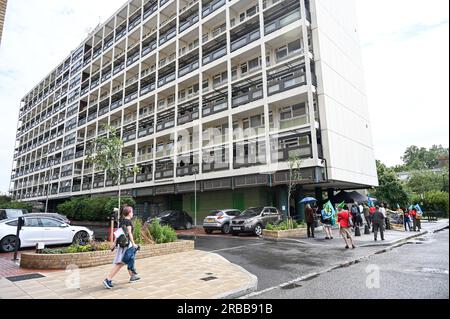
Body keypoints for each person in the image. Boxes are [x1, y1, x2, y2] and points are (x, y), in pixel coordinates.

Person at [103, 206, 140, 289]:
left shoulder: (122, 221)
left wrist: (114, 243)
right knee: (121, 263)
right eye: (132, 212)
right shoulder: (128, 222)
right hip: (127, 245)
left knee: (130, 259)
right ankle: (108, 279)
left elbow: (119, 232)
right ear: (129, 213)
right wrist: (133, 243)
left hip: (122, 244)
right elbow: (129, 233)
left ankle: (133, 276)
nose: (133, 213)